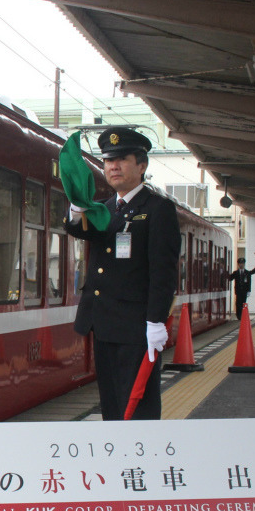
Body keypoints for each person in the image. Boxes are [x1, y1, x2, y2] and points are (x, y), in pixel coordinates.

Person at [66, 128, 180, 421]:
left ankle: (140, 461)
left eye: (121, 159)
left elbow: (162, 271)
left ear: (141, 166)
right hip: (102, 322)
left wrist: (155, 321)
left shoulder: (157, 209)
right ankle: (117, 460)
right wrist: (77, 206)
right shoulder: (103, 209)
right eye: (107, 161)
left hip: (136, 326)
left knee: (137, 402)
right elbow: (76, 228)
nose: (113, 166)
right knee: (112, 403)